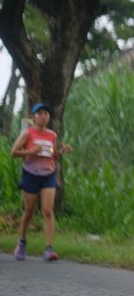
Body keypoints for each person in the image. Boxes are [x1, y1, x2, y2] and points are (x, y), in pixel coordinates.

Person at [11, 103, 72, 262]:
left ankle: (49, 249)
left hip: (48, 175)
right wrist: (30, 151)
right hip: (31, 174)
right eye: (40, 114)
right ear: (34, 117)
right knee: (29, 211)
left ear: (49, 117)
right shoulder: (27, 133)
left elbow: (52, 154)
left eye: (46, 114)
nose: (43, 116)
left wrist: (61, 151)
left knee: (47, 211)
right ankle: (22, 242)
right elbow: (14, 152)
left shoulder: (52, 135)